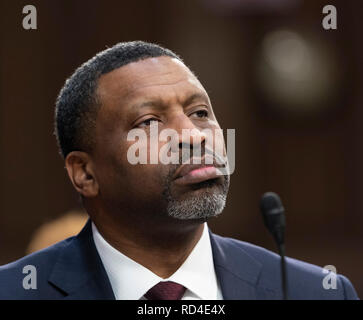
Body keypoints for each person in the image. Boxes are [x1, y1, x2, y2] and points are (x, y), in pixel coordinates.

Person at [0, 41, 358, 300]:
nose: (191, 135)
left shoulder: (313, 292)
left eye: (200, 113)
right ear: (85, 173)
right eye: (150, 121)